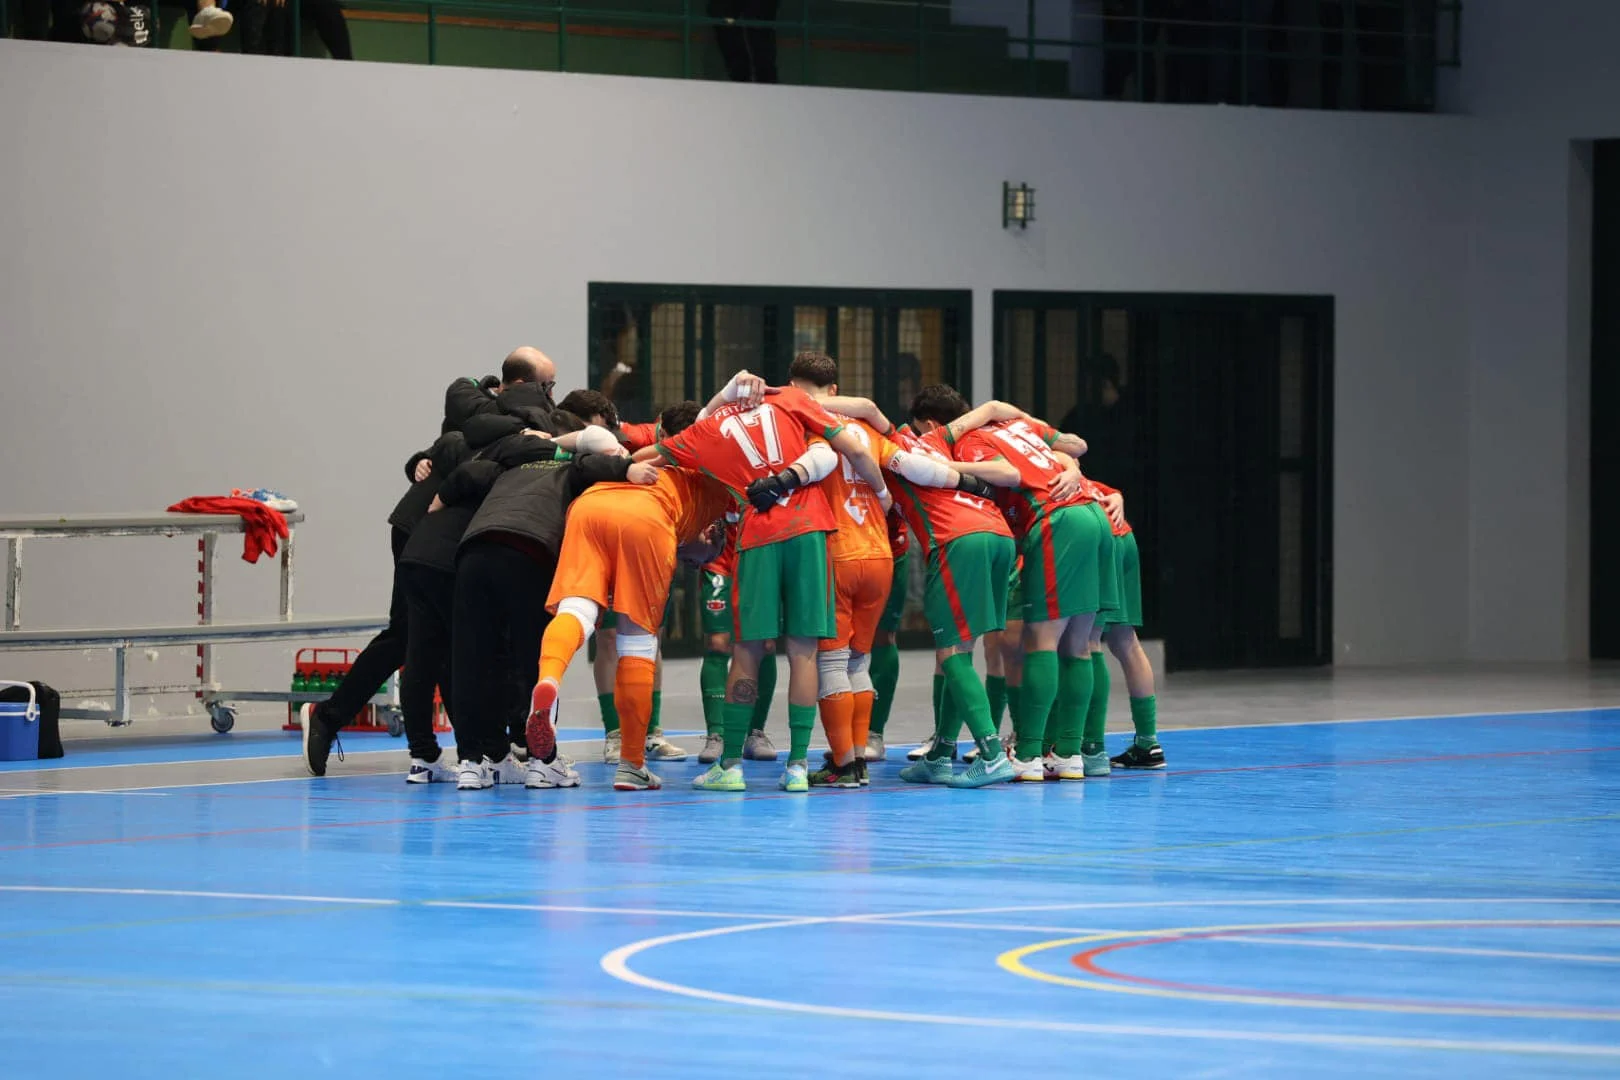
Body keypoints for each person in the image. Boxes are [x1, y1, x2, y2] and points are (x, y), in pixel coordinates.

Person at [643, 370, 887, 792]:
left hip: (758, 534)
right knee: (805, 650)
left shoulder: (710, 427)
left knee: (747, 649)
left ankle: (731, 764)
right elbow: (848, 444)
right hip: (811, 531)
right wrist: (882, 495)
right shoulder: (792, 401)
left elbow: (647, 455)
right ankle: (796, 767)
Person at [785, 353, 996, 787]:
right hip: (880, 558)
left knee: (831, 665)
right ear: (834, 392)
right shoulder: (871, 432)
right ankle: (859, 757)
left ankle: (844, 764)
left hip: (836, 555)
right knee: (860, 661)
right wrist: (968, 483)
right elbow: (916, 468)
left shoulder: (804, 429)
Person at [819, 390, 1030, 787]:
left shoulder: (887, 446)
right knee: (961, 651)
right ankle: (940, 753)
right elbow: (994, 416)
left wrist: (796, 401)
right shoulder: (933, 439)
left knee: (952, 653)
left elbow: (866, 408)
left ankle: (991, 754)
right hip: (998, 534)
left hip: (959, 540)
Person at [532, 403, 747, 790]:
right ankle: (631, 763)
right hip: (646, 521)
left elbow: (594, 439)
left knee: (576, 609)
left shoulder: (642, 453)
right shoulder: (717, 481)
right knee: (638, 642)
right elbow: (701, 551)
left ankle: (548, 679)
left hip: (590, 508)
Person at [449, 425, 654, 791]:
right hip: (528, 553)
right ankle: (543, 763)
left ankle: (473, 762)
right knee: (535, 659)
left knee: (473, 660)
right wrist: (628, 470)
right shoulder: (569, 467)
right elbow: (593, 466)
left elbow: (466, 474)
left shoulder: (507, 469)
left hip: (473, 553)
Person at [946, 404, 1110, 781]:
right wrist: (1071, 468)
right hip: (1094, 516)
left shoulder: (971, 441)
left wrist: (954, 467)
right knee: (1080, 644)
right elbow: (1073, 449)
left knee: (1042, 640)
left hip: (1057, 520)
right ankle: (1070, 753)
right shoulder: (1021, 428)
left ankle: (1029, 753)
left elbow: (1006, 471)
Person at [1090, 481, 1165, 770]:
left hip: (1095, 538)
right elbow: (1111, 492)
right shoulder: (1063, 462)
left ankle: (1090, 746)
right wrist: (1117, 496)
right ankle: (1148, 742)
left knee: (1084, 641)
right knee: (1125, 641)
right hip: (1122, 534)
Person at [862, 506, 909, 762]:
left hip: (890, 548)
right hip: (838, 544)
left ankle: (873, 732)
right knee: (836, 643)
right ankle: (843, 735)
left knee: (882, 636)